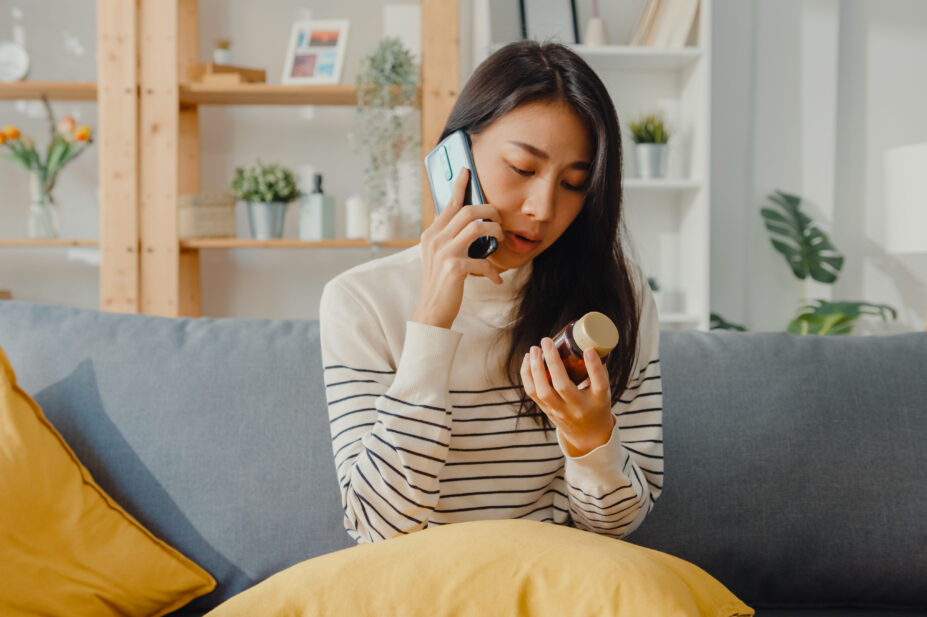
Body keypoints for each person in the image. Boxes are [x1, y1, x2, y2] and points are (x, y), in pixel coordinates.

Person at [319, 40, 662, 544]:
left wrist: (591, 438)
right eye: (523, 169)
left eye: (573, 183)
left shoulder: (617, 293)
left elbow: (618, 525)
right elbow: (380, 527)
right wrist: (432, 321)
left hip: (553, 581)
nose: (543, 208)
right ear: (455, 155)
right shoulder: (360, 302)